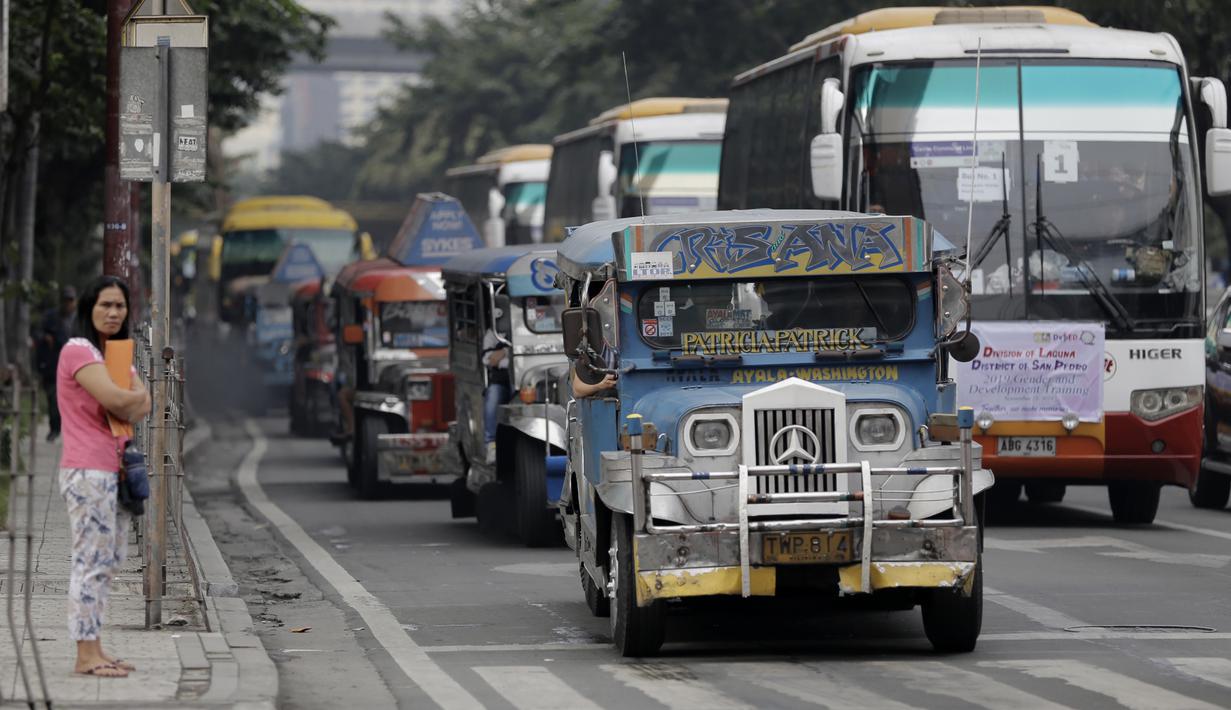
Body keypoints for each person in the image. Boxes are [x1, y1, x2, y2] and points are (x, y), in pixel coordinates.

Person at [56, 275, 151, 678]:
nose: (113, 313)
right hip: (87, 471)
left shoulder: (116, 357)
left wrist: (134, 399)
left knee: (110, 560)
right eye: (104, 305)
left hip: (114, 471)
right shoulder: (77, 351)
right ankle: (84, 655)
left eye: (119, 306)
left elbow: (144, 405)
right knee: (90, 561)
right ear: (88, 309)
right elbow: (121, 400)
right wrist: (132, 397)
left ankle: (95, 647)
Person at [37, 286, 78, 441]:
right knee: (53, 398)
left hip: (74, 365)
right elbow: (38, 333)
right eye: (65, 300)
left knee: (71, 399)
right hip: (53, 364)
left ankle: (68, 428)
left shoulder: (79, 319)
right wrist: (46, 338)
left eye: (71, 300)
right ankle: (55, 428)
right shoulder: (50, 317)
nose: (68, 304)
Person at [482, 316, 510, 463]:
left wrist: (504, 352)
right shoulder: (494, 332)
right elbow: (488, 359)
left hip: (526, 382)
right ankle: (491, 445)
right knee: (492, 397)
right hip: (502, 381)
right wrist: (509, 354)